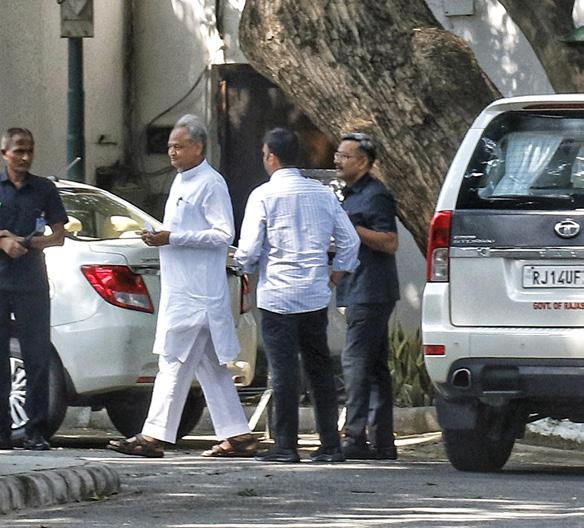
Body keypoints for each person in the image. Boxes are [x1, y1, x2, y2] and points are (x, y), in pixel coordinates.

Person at [108, 115, 256, 458]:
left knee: (173, 362)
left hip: (197, 294)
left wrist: (172, 237)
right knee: (210, 368)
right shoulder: (181, 180)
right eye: (170, 146)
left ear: (198, 147)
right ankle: (238, 435)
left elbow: (223, 234)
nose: (172, 152)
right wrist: (160, 236)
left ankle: (153, 436)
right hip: (183, 290)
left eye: (179, 146)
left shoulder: (210, 183)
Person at [235, 128, 360, 463]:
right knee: (320, 370)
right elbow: (350, 241)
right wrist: (336, 275)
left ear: (271, 157)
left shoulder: (263, 195)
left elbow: (249, 249)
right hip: (314, 294)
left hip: (277, 294)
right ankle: (330, 445)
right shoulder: (322, 194)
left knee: (284, 371)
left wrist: (243, 266)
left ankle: (286, 445)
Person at [0, 128, 68, 450]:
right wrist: (3, 241)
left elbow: (59, 236)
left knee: (37, 357)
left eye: (29, 150)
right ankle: (2, 432)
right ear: (4, 153)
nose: (25, 157)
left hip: (32, 284)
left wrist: (27, 243)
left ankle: (35, 431)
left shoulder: (44, 189)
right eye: (18, 151)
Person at [334, 132, 400, 460]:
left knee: (356, 363)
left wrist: (351, 229)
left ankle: (355, 436)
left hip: (371, 289)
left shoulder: (375, 195)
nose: (337, 161)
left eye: (345, 156)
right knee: (374, 367)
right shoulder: (348, 195)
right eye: (337, 154)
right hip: (357, 286)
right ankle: (383, 442)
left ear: (362, 162)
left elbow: (390, 241)